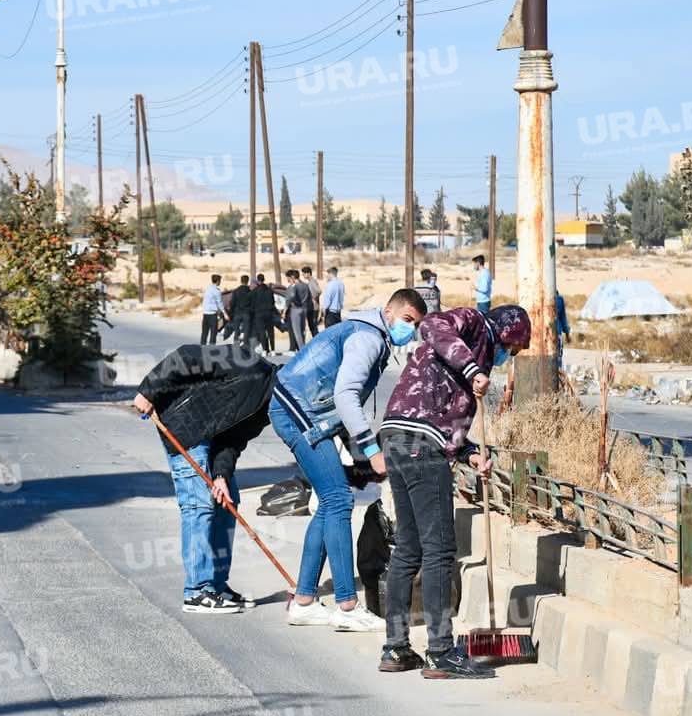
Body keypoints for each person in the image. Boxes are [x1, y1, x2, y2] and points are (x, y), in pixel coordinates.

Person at [378, 304, 531, 679]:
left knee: (409, 549)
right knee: (440, 550)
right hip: (420, 445)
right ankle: (440, 652)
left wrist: (469, 452)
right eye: (511, 350)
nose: (506, 358)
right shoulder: (476, 325)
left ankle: (396, 649)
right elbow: (432, 324)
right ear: (507, 334)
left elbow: (439, 411)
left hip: (399, 439)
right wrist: (473, 369)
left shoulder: (466, 352)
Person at [270, 289, 428, 631]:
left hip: (303, 409)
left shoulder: (371, 333)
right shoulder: (368, 339)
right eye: (406, 320)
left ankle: (304, 602)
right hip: (299, 410)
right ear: (388, 311)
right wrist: (371, 451)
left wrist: (354, 452)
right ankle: (347, 605)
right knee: (339, 499)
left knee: (330, 502)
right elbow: (345, 394)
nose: (409, 330)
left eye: (415, 325)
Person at [133, 343, 277, 613]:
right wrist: (148, 389)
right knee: (199, 505)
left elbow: (232, 441)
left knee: (227, 501)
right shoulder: (248, 363)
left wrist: (221, 474)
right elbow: (185, 356)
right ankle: (197, 592)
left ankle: (216, 586)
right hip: (182, 425)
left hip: (209, 437)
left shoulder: (264, 410)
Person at [283, 269, 311, 352]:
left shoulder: (294, 286)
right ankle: (303, 347)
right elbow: (309, 297)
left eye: (288, 278)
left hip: (295, 309)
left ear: (292, 277)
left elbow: (290, 297)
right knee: (302, 330)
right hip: (304, 309)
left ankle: (301, 349)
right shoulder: (305, 285)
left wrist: (285, 309)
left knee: (297, 332)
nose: (287, 280)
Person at [252, 273, 278, 353]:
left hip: (259, 314)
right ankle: (273, 350)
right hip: (269, 313)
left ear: (257, 280)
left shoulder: (255, 291)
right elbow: (273, 302)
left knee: (262, 332)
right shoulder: (269, 290)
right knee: (270, 332)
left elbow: (252, 303)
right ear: (264, 279)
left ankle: (264, 350)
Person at [201, 274, 228, 345]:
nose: (220, 282)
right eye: (220, 281)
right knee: (213, 333)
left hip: (205, 313)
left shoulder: (208, 289)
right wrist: (225, 313)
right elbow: (220, 303)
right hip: (212, 315)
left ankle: (202, 348)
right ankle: (211, 348)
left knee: (204, 333)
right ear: (218, 281)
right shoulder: (217, 291)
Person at [229, 275, 253, 346]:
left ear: (241, 281)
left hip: (237, 313)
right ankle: (245, 344)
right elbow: (252, 303)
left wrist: (231, 313)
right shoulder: (250, 292)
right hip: (247, 313)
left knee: (236, 330)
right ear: (247, 281)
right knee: (246, 330)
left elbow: (232, 303)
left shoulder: (236, 291)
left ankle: (236, 343)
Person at [301, 266, 321, 337]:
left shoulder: (312, 281)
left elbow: (318, 291)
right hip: (311, 307)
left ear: (308, 273)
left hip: (314, 307)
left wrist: (313, 298)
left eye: (303, 274)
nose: (303, 276)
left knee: (313, 326)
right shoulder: (310, 281)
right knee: (312, 326)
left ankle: (317, 341)